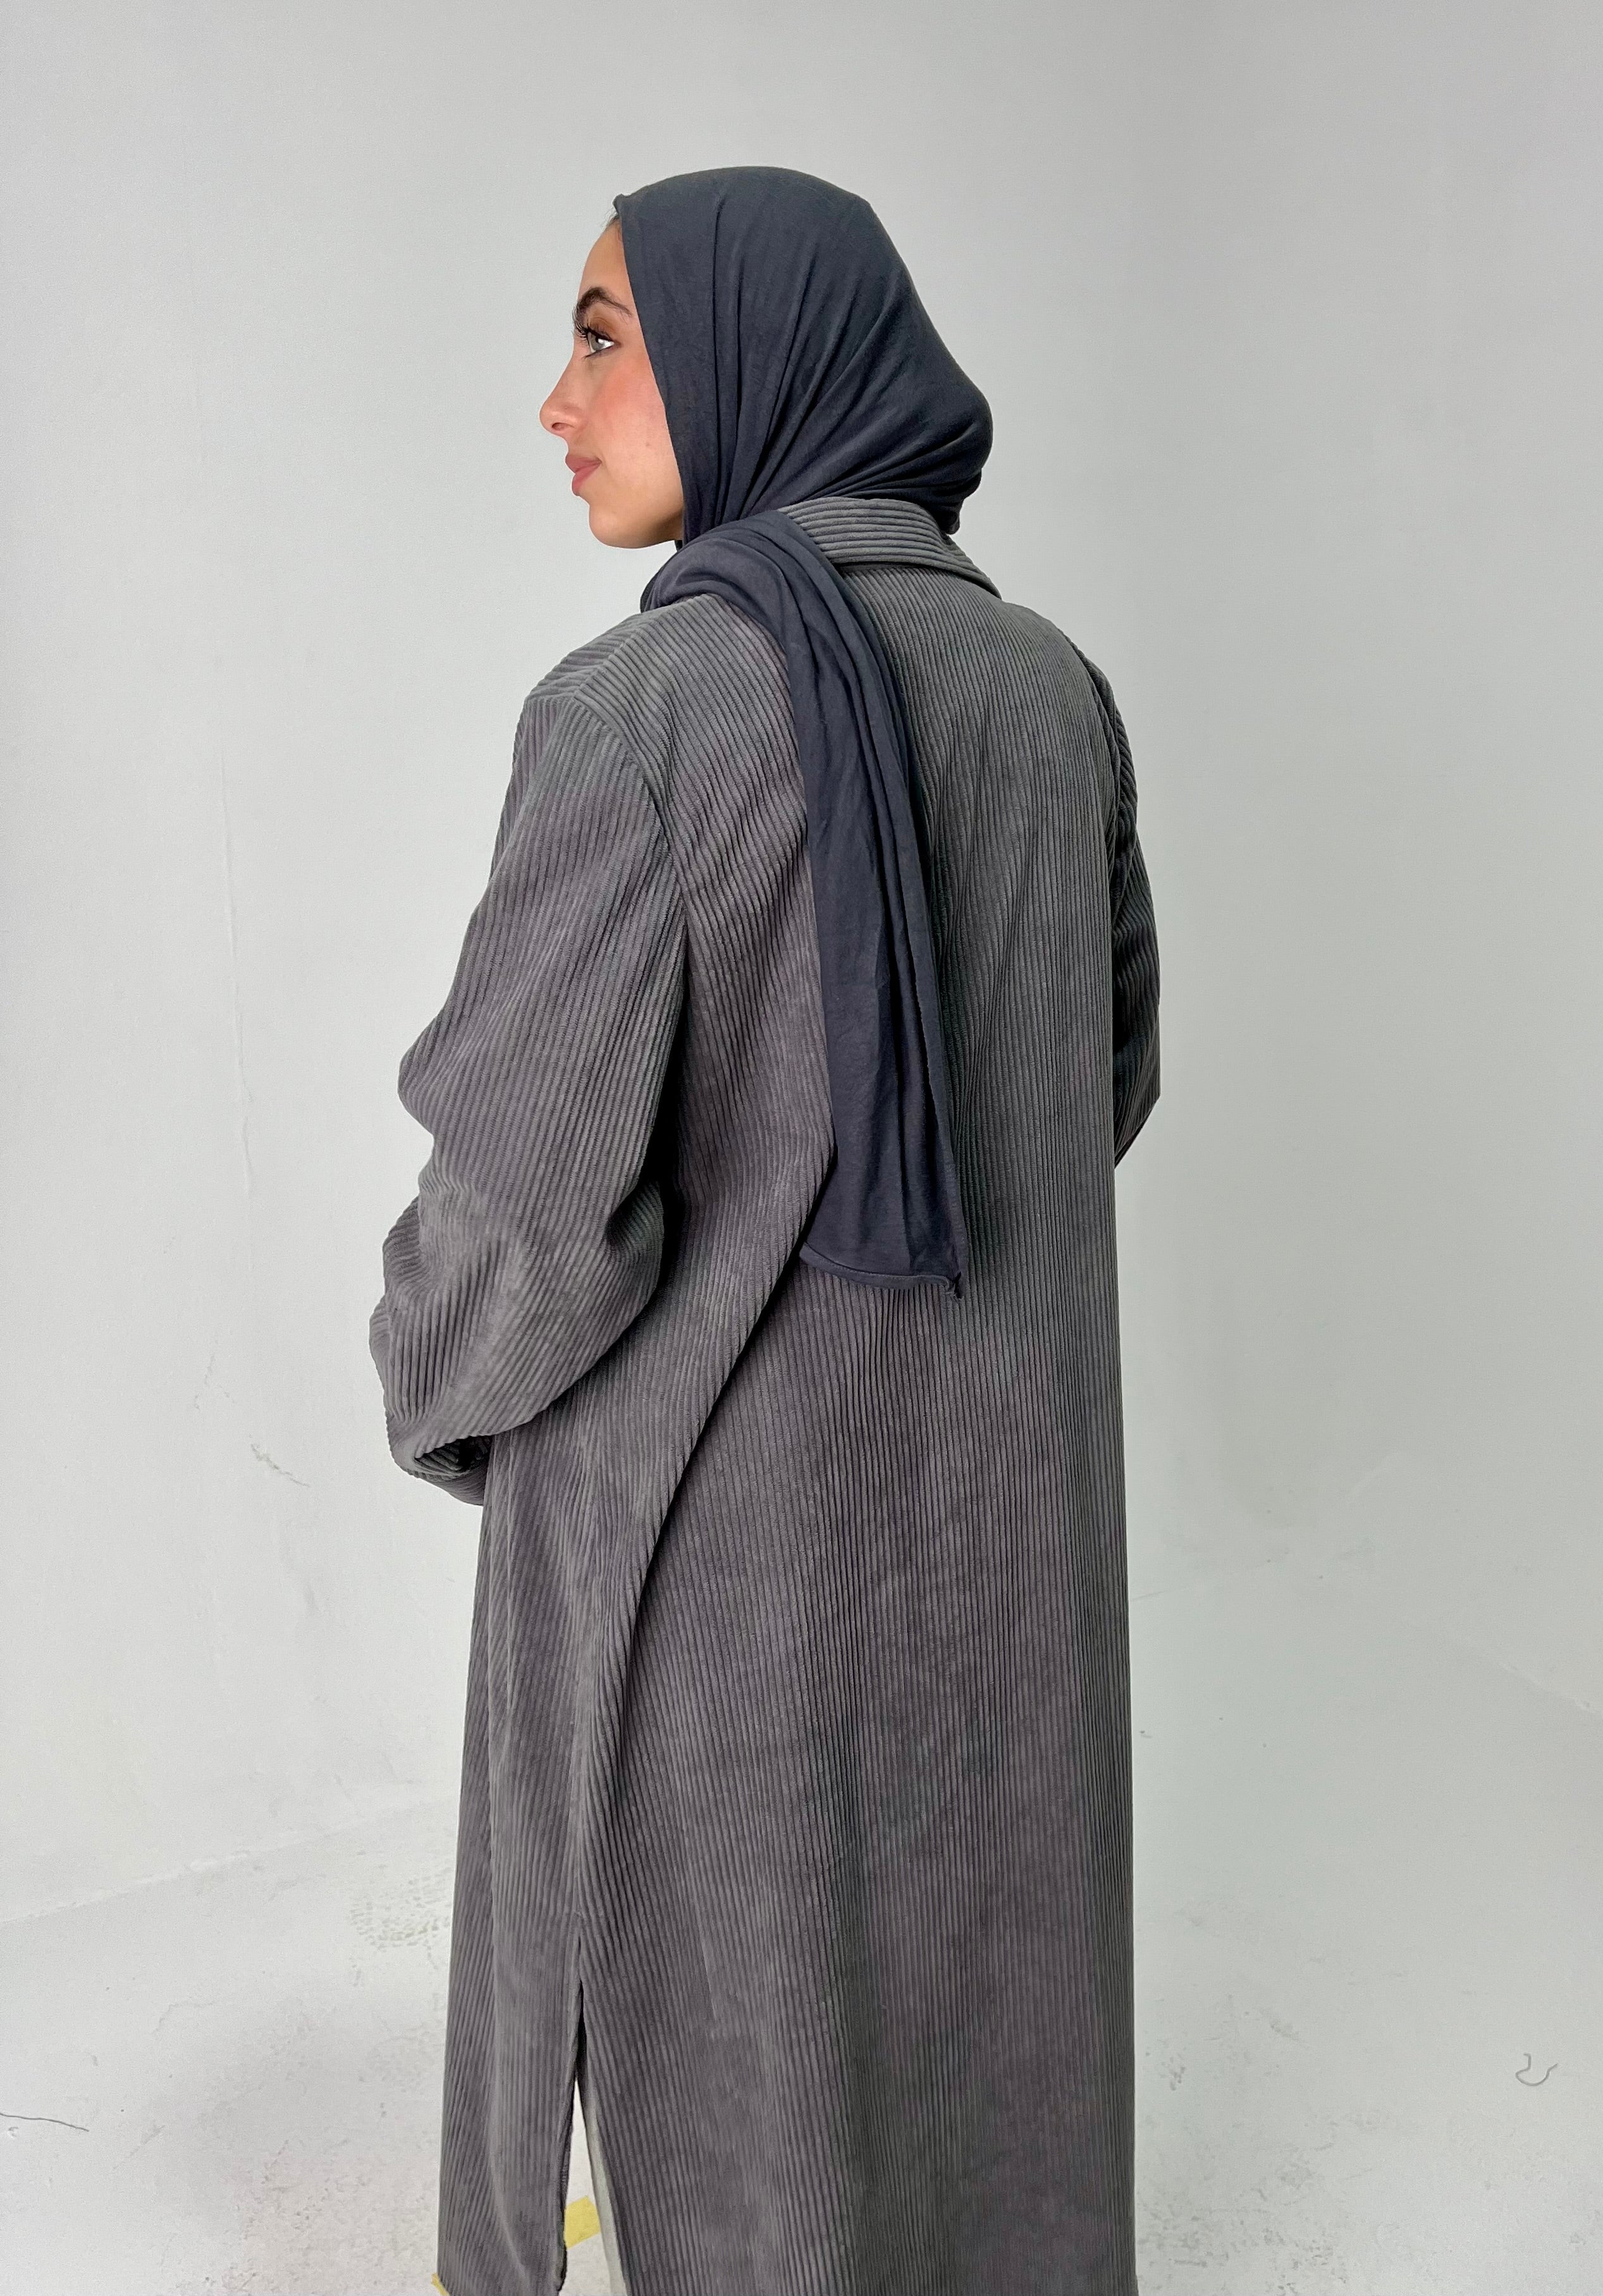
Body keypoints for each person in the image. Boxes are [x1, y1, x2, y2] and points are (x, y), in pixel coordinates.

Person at [371, 164, 1160, 2296]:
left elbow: (527, 1214)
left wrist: (428, 1388)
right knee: (977, 1989)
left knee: (728, 2025)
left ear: (756, 352)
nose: (557, 402)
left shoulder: (639, 714)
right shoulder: (1050, 693)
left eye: (603, 336)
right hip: (998, 1533)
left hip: (707, 1556)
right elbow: (1095, 1087)